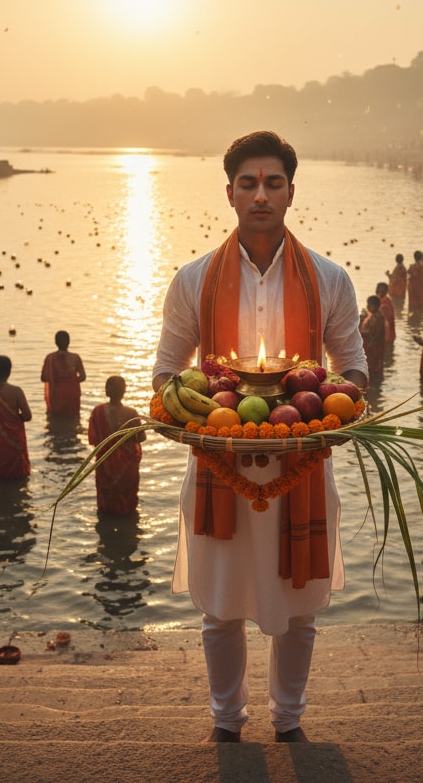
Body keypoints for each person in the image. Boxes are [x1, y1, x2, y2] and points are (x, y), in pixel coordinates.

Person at [151, 130, 368, 744]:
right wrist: (197, 408)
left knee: (299, 610)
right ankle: (226, 721)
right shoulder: (193, 279)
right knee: (219, 608)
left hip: (301, 464)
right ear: (229, 193)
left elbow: (355, 368)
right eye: (248, 183)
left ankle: (289, 719)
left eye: (273, 183)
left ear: (291, 192)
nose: (261, 195)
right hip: (219, 466)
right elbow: (166, 373)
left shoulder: (330, 278)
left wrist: (335, 406)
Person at [87, 376, 146, 515]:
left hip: (105, 464)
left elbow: (93, 439)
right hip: (127, 466)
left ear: (106, 391)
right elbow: (142, 438)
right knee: (128, 501)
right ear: (124, 391)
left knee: (105, 502)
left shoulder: (98, 411)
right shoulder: (131, 413)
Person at [41, 330, 86, 416]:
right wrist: (70, 381)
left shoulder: (50, 358)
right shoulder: (75, 358)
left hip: (55, 396)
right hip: (72, 395)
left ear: (55, 342)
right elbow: (83, 377)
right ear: (69, 342)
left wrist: (57, 378)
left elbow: (43, 378)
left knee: (54, 419)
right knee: (74, 419)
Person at [359, 295, 385, 377]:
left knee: (373, 366)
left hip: (374, 347)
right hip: (370, 347)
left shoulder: (378, 317)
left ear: (376, 306)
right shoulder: (373, 314)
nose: (367, 306)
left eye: (370, 304)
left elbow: (373, 333)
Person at [376, 281, 396, 346]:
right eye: (379, 290)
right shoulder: (379, 300)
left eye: (382, 291)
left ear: (386, 292)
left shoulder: (386, 303)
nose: (380, 292)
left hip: (386, 337)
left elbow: (385, 322)